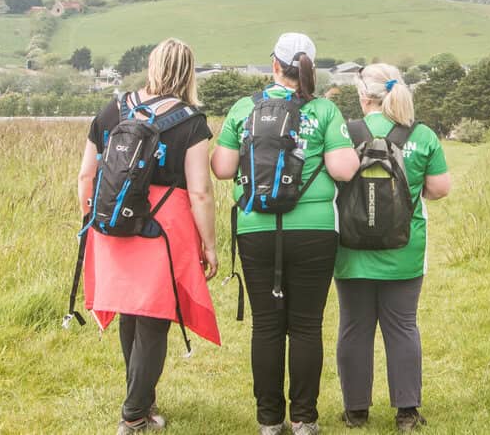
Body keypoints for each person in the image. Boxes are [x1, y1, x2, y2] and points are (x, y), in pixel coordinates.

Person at [211, 32, 359, 435]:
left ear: (273, 64)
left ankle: (269, 420)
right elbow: (345, 170)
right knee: (307, 325)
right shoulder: (325, 110)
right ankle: (305, 419)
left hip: (255, 228)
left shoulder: (244, 108)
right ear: (310, 68)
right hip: (313, 230)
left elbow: (222, 168)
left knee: (267, 325)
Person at [75, 38, 220, 434]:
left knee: (130, 313)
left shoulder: (113, 109)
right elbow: (200, 191)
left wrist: (93, 221)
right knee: (154, 319)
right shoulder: (191, 121)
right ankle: (134, 414)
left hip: (112, 223)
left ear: (152, 66)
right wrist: (209, 243)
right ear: (189, 72)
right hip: (162, 229)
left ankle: (141, 401)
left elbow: (87, 174)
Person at [334, 64, 451, 432]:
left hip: (351, 251)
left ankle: (356, 411)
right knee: (402, 327)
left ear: (362, 96)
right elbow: (440, 188)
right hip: (405, 250)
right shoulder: (423, 135)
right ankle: (407, 412)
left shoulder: (345, 132)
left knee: (354, 327)